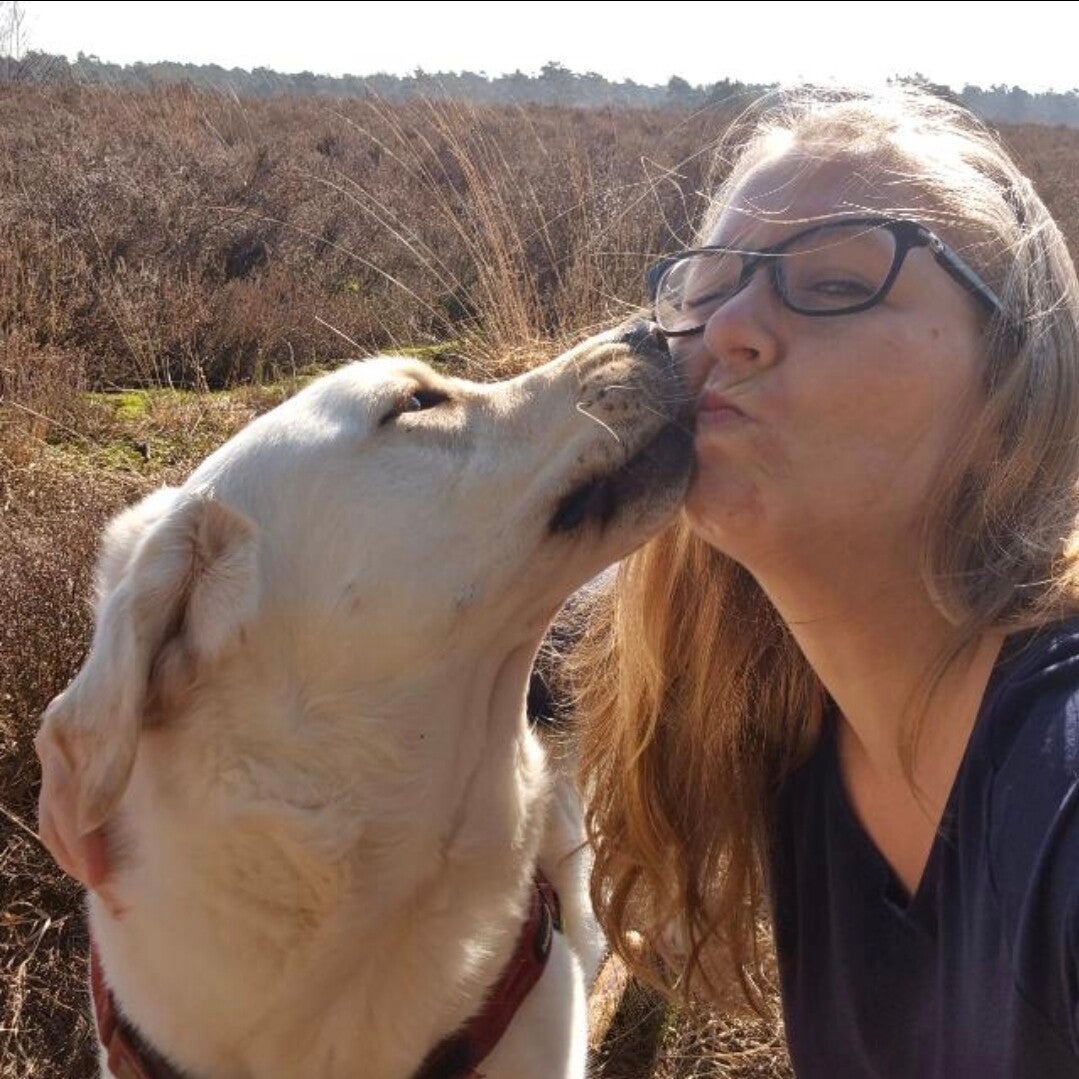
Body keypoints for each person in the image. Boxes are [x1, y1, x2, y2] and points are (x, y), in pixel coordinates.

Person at [570, 84, 1079, 1077]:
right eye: (704, 288)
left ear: (1012, 397)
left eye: (837, 283)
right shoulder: (798, 750)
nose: (728, 328)